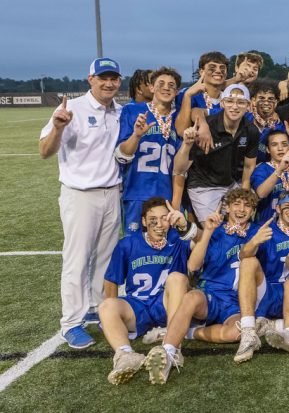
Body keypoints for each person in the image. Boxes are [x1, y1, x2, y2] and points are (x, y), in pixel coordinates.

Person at [39, 57, 124, 348]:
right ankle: (71, 323)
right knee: (77, 260)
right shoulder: (71, 109)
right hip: (80, 194)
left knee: (105, 259)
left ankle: (98, 310)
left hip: (112, 192)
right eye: (103, 77)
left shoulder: (120, 112)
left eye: (113, 78)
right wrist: (58, 128)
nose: (108, 83)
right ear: (90, 79)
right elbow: (44, 151)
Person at [145, 188, 261, 384]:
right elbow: (192, 266)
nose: (242, 210)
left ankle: (188, 332)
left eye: (247, 205)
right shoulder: (215, 231)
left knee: (237, 333)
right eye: (237, 204)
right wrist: (207, 231)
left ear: (253, 210)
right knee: (191, 298)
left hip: (235, 302)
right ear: (227, 208)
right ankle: (169, 352)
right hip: (211, 295)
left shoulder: (257, 231)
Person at [98, 198, 194, 384]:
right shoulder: (128, 244)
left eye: (164, 218)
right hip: (138, 306)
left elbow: (200, 243)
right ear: (143, 221)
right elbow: (111, 280)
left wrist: (184, 225)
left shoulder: (177, 240)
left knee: (177, 278)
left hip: (167, 305)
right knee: (107, 306)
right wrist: (112, 319)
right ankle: (126, 355)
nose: (159, 224)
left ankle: (172, 347)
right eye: (153, 219)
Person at [234, 191, 289, 362]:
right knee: (248, 262)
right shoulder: (264, 229)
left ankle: (273, 325)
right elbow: (243, 256)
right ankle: (248, 331)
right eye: (287, 207)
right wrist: (254, 241)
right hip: (270, 291)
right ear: (277, 208)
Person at [173, 84, 260, 222]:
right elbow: (179, 169)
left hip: (231, 184)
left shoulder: (251, 130)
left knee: (239, 225)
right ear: (222, 103)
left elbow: (248, 166)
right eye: (230, 101)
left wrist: (244, 195)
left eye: (241, 102)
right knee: (213, 230)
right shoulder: (206, 127)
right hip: (204, 186)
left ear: (248, 106)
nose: (235, 106)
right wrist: (186, 144)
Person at [116, 67, 183, 233]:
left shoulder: (180, 118)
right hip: (137, 191)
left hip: (166, 194)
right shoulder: (132, 111)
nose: (166, 88)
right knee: (135, 246)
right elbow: (122, 155)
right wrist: (136, 136)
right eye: (161, 84)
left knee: (166, 248)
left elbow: (181, 167)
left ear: (177, 92)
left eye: (171, 85)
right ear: (152, 88)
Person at [250, 130, 289, 223]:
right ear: (268, 149)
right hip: (267, 226)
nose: (280, 148)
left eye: (284, 144)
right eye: (274, 145)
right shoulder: (262, 169)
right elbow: (261, 193)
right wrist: (280, 169)